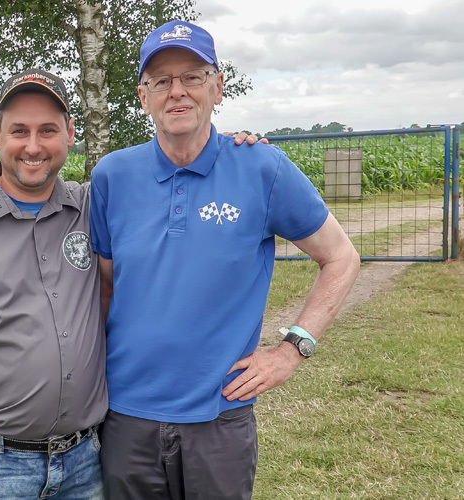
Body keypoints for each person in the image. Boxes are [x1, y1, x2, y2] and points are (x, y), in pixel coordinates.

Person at [0, 66, 263, 499]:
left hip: (86, 462)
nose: (34, 146)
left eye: (48, 130)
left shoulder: (93, 206)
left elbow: (172, 183)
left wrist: (232, 152)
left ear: (70, 133)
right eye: (19, 130)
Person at [89, 20, 361, 500]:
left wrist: (292, 349)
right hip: (125, 416)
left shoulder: (262, 166)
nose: (178, 92)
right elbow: (105, 289)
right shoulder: (112, 176)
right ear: (142, 95)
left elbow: (340, 257)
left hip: (219, 415)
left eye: (193, 77)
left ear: (217, 88)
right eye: (161, 80)